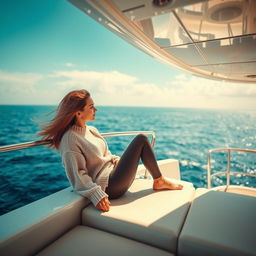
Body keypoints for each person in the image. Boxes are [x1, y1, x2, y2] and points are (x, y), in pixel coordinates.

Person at [38, 89, 183, 212]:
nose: (96, 110)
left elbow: (106, 156)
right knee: (142, 139)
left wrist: (118, 162)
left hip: (114, 173)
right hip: (110, 186)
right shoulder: (70, 138)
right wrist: (96, 194)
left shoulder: (91, 130)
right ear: (78, 113)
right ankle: (159, 180)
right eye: (91, 107)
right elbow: (77, 175)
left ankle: (159, 180)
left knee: (141, 140)